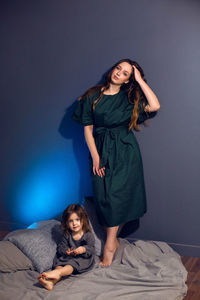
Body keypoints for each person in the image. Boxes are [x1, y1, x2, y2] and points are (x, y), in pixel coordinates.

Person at [72, 58, 160, 267]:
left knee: (117, 197)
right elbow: (87, 129)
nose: (118, 73)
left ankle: (110, 244)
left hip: (125, 152)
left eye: (125, 73)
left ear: (129, 80)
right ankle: (112, 241)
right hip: (101, 150)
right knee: (104, 197)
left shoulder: (129, 99)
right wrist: (95, 156)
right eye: (118, 68)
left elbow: (155, 105)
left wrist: (139, 79)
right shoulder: (93, 96)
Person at [38, 204, 95, 290]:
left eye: (77, 220)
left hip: (82, 259)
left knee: (71, 265)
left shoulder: (88, 235)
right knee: (59, 263)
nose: (74, 223)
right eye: (71, 221)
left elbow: (91, 249)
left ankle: (55, 273)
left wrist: (83, 249)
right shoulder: (67, 234)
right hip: (69, 257)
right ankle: (51, 282)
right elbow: (61, 247)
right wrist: (66, 251)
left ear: (83, 220)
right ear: (67, 223)